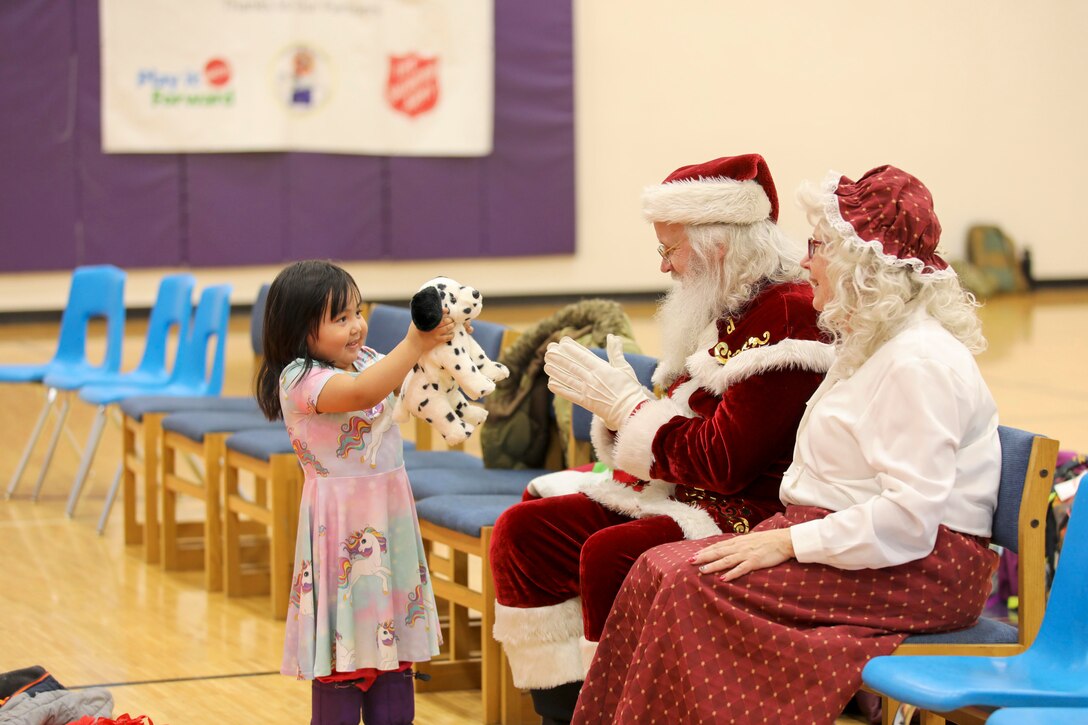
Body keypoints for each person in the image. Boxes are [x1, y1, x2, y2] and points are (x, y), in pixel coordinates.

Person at [572, 165, 1002, 725]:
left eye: (819, 246)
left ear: (861, 265)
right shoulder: (876, 342)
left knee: (689, 586)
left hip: (924, 569)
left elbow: (908, 522)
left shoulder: (918, 361)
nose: (805, 261)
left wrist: (788, 543)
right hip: (861, 540)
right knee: (656, 569)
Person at [489, 154, 833, 723]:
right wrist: (624, 407)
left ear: (715, 245)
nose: (667, 267)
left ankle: (615, 710)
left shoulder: (789, 317)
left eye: (670, 250)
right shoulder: (727, 302)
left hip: (750, 510)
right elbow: (678, 417)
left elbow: (726, 462)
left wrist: (628, 409)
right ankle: (562, 711)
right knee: (526, 533)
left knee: (610, 554)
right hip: (681, 492)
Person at [255, 260, 456, 725]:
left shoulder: (365, 358)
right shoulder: (300, 379)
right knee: (342, 660)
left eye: (357, 312)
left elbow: (403, 383)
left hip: (389, 518)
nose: (356, 326)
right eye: (339, 319)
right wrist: (412, 342)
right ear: (299, 330)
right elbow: (364, 393)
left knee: (394, 661)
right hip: (342, 527)